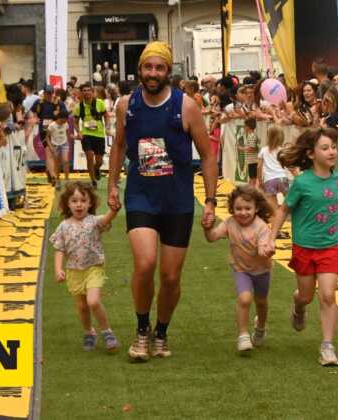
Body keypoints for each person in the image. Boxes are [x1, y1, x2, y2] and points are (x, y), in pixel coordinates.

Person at [107, 41, 218, 361]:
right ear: (139, 70)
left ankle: (161, 332)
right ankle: (142, 330)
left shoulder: (186, 106)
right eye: (148, 67)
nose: (153, 73)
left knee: (170, 277)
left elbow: (207, 155)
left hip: (177, 201)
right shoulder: (126, 105)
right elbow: (119, 146)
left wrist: (210, 201)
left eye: (159, 68)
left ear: (168, 71)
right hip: (141, 196)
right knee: (144, 264)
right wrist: (113, 184)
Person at [264, 128, 338, 366]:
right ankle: (298, 306)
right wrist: (271, 237)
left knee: (327, 295)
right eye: (325, 148)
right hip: (304, 247)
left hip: (329, 246)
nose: (332, 152)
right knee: (306, 295)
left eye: (334, 147)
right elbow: (283, 210)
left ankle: (327, 346)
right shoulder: (301, 182)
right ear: (311, 154)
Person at [49, 181, 120, 352]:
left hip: (94, 268)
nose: (79, 204)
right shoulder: (64, 226)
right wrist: (58, 269)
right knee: (82, 307)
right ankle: (89, 332)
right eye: (74, 201)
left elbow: (106, 219)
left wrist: (114, 210)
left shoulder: (94, 221)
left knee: (93, 301)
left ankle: (107, 332)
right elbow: (59, 249)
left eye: (83, 200)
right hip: (74, 271)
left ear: (90, 203)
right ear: (67, 204)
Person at [203, 185, 274, 353]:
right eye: (238, 209)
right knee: (244, 298)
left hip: (262, 270)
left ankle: (260, 327)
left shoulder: (261, 227)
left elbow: (263, 249)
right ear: (232, 209)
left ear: (256, 209)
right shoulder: (230, 223)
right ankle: (243, 335)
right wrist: (207, 228)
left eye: (248, 208)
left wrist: (267, 250)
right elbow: (212, 237)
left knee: (261, 302)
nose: (243, 213)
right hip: (241, 269)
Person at [73, 82, 108, 187]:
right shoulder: (78, 107)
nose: (87, 92)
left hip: (99, 135)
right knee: (89, 156)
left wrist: (107, 127)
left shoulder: (100, 103)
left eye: (88, 90)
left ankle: (96, 169)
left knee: (99, 161)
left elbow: (106, 115)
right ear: (81, 93)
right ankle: (93, 181)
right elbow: (75, 121)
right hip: (86, 134)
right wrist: (79, 132)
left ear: (92, 92)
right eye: (84, 91)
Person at [31, 84, 66, 184]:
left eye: (50, 93)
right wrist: (35, 118)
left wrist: (58, 116)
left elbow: (65, 115)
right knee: (49, 153)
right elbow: (33, 111)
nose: (48, 95)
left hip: (56, 132)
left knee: (55, 155)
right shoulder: (39, 102)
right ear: (44, 93)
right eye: (47, 93)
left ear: (53, 93)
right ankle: (54, 177)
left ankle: (49, 171)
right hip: (44, 131)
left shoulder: (58, 103)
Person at [258, 125, 290, 211]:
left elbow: (259, 166)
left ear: (268, 136)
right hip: (282, 178)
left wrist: (260, 181)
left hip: (269, 180)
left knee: (273, 207)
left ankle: (276, 217)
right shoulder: (282, 150)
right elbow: (288, 165)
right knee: (289, 201)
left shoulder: (263, 150)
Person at [46, 109, 71, 188]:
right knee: (57, 164)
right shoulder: (52, 126)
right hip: (55, 145)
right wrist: (51, 147)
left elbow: (69, 134)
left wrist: (75, 137)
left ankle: (67, 180)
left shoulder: (66, 124)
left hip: (64, 144)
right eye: (65, 119)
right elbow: (47, 138)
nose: (66, 121)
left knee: (66, 161)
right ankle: (58, 180)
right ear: (61, 118)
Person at [242, 117, 259, 187]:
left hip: (253, 161)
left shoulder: (252, 136)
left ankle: (252, 190)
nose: (244, 127)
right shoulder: (251, 135)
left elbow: (253, 148)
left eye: (245, 126)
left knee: (253, 178)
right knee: (252, 177)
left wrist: (242, 148)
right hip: (251, 161)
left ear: (248, 127)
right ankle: (250, 188)